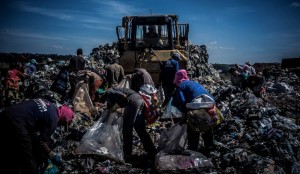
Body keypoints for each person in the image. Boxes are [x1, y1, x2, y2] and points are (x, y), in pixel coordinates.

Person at [0, 98, 74, 174]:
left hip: (7, 112)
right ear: (64, 119)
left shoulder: (49, 103)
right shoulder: (54, 119)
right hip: (17, 122)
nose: (61, 125)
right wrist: (51, 154)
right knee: (27, 153)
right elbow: (41, 142)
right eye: (64, 124)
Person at [99, 87, 157, 163]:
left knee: (127, 129)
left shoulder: (109, 92)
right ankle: (151, 150)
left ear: (100, 95)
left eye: (99, 100)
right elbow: (110, 110)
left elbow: (123, 96)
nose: (99, 102)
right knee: (140, 128)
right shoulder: (109, 96)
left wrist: (116, 106)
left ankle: (127, 154)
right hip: (140, 101)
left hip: (132, 102)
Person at [172, 69, 216, 154]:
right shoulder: (194, 83)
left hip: (197, 104)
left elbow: (182, 101)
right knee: (207, 125)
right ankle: (209, 148)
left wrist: (184, 116)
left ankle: (193, 149)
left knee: (193, 128)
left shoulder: (180, 86)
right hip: (211, 103)